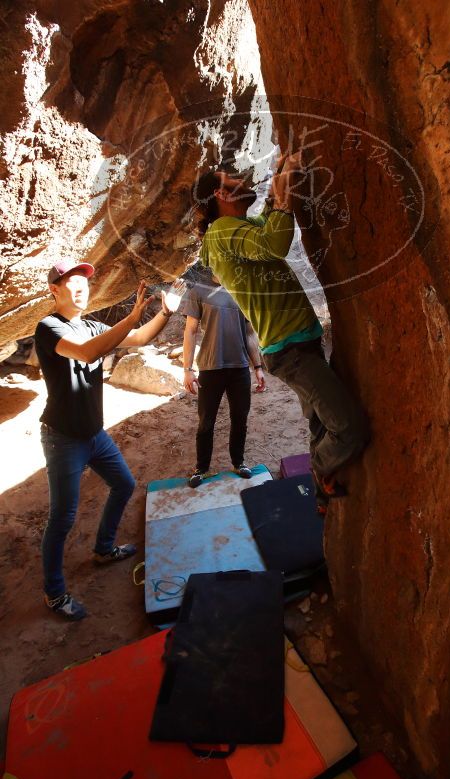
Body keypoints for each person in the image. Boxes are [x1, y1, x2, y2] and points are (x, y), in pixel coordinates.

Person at [190, 153, 369, 512]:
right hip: (291, 351)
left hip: (294, 343)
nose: (242, 180)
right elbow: (273, 243)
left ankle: (321, 498)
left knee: (319, 419)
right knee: (348, 427)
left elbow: (263, 226)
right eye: (232, 180)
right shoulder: (223, 231)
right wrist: (284, 195)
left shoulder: (231, 230)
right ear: (220, 197)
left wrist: (277, 186)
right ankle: (321, 470)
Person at [35, 257, 180, 620]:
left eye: (84, 279)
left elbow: (140, 337)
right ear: (55, 289)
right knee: (63, 518)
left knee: (124, 484)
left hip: (93, 434)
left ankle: (103, 548)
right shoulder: (49, 327)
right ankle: (54, 593)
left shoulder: (93, 325)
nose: (82, 285)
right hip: (63, 438)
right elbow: (88, 352)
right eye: (72, 281)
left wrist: (165, 312)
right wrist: (130, 317)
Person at [178, 262, 265, 488]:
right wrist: (187, 369)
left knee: (240, 418)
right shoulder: (197, 291)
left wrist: (258, 367)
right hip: (210, 367)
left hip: (239, 368)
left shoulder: (241, 291)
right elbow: (190, 331)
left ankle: (238, 462)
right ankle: (202, 469)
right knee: (206, 421)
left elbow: (249, 332)